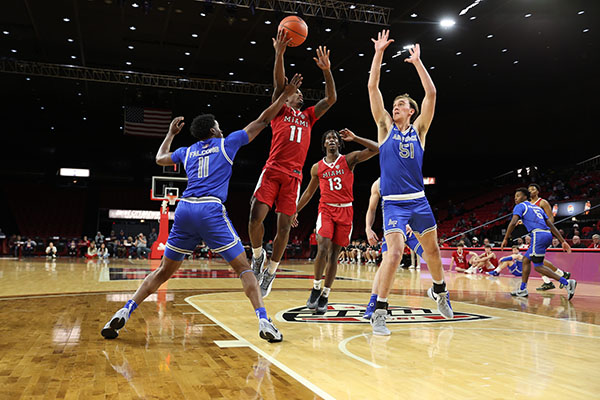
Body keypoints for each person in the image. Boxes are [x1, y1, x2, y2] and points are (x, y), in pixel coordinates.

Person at [101, 74, 302, 342]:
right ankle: (264, 322)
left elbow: (160, 158)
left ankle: (126, 310)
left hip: (184, 210)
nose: (221, 129)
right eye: (218, 126)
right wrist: (283, 96)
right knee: (245, 269)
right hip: (209, 209)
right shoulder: (226, 143)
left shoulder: (188, 151)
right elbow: (264, 120)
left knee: (162, 271)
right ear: (213, 131)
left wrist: (170, 134)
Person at [367, 30, 452, 336]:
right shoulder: (384, 128)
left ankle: (440, 291)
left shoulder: (420, 130)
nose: (395, 107)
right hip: (394, 203)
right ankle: (380, 312)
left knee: (432, 251)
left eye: (401, 105)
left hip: (419, 200)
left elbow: (432, 94)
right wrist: (378, 53)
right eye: (395, 105)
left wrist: (418, 62)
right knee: (394, 252)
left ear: (411, 111)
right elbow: (372, 87)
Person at [249, 31, 337, 298]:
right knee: (255, 217)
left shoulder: (309, 116)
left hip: (294, 177)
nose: (299, 95)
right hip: (272, 169)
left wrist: (327, 71)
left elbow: (331, 99)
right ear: (286, 98)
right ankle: (256, 255)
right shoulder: (280, 110)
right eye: (295, 93)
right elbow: (278, 83)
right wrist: (279, 54)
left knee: (284, 228)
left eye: (299, 94)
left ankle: (271, 271)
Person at [293, 128, 378, 311]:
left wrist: (355, 137)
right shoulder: (317, 167)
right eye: (328, 138)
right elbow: (309, 192)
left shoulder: (348, 159)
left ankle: (325, 294)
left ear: (339, 143)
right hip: (326, 210)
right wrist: (295, 211)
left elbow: (377, 148)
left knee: (333, 255)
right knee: (322, 247)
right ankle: (316, 288)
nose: (332, 140)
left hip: (345, 211)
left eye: (335, 138)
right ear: (324, 144)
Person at [363, 177, 425, 320]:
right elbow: (371, 209)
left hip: (412, 228)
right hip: (392, 227)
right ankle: (374, 304)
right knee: (387, 262)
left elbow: (419, 204)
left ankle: (439, 290)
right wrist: (368, 228)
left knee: (431, 256)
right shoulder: (378, 183)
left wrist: (412, 221)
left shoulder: (410, 176)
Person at [501, 188, 576, 299]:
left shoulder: (520, 206)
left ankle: (566, 282)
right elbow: (550, 225)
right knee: (526, 260)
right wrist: (562, 241)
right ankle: (523, 289)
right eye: (515, 196)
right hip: (547, 235)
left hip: (538, 235)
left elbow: (513, 222)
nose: (515, 198)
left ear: (525, 197)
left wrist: (506, 238)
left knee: (538, 266)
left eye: (518, 196)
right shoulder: (537, 208)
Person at [528, 183, 572, 291]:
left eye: (533, 189)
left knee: (536, 260)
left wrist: (544, 228)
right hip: (534, 233)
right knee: (537, 260)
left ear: (538, 191)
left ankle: (559, 277)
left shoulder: (543, 202)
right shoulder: (528, 204)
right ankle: (555, 278)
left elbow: (551, 218)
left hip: (542, 233)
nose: (530, 191)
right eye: (529, 190)